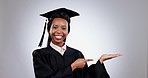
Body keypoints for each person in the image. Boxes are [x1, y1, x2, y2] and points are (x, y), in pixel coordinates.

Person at [32, 8, 122, 78]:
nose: (59, 31)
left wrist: (100, 62)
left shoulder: (76, 54)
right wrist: (73, 66)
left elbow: (87, 77)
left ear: (68, 31)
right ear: (49, 29)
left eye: (63, 28)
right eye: (55, 27)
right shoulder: (39, 55)